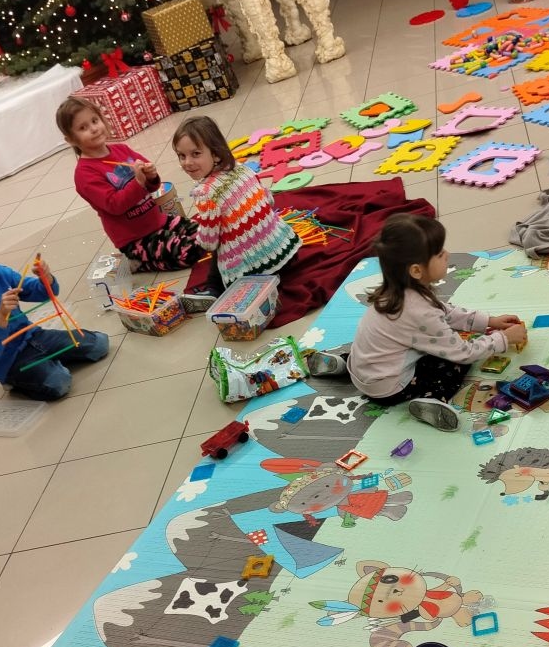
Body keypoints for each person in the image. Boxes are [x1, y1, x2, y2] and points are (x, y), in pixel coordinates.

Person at [311, 214, 526, 432]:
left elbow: (444, 311)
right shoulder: (421, 313)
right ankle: (433, 399)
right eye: (439, 254)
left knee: (380, 343)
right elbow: (463, 353)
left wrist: (488, 321)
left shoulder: (393, 291)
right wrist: (502, 339)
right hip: (388, 389)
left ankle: (342, 364)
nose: (447, 254)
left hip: (362, 369)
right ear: (416, 270)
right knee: (454, 362)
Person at [0, 219, 109, 401]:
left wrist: (45, 278)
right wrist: (1, 316)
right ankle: (17, 379)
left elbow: (43, 293)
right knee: (59, 382)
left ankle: (46, 364)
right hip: (6, 360)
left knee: (100, 344)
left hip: (32, 336)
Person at [57, 97, 206, 294]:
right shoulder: (84, 174)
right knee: (189, 252)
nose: (93, 129)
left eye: (95, 121)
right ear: (71, 140)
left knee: (205, 233)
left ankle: (157, 251)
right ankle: (138, 262)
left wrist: (151, 175)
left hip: (159, 221)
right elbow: (115, 205)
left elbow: (153, 186)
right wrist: (139, 182)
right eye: (83, 128)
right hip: (135, 239)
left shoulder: (121, 149)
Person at [173, 115, 300, 301]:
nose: (187, 162)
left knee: (220, 245)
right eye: (181, 156)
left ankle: (214, 289)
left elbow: (209, 243)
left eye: (196, 154)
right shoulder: (241, 168)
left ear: (215, 153)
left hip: (253, 272)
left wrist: (199, 238)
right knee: (234, 228)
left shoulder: (206, 193)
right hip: (284, 250)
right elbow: (269, 200)